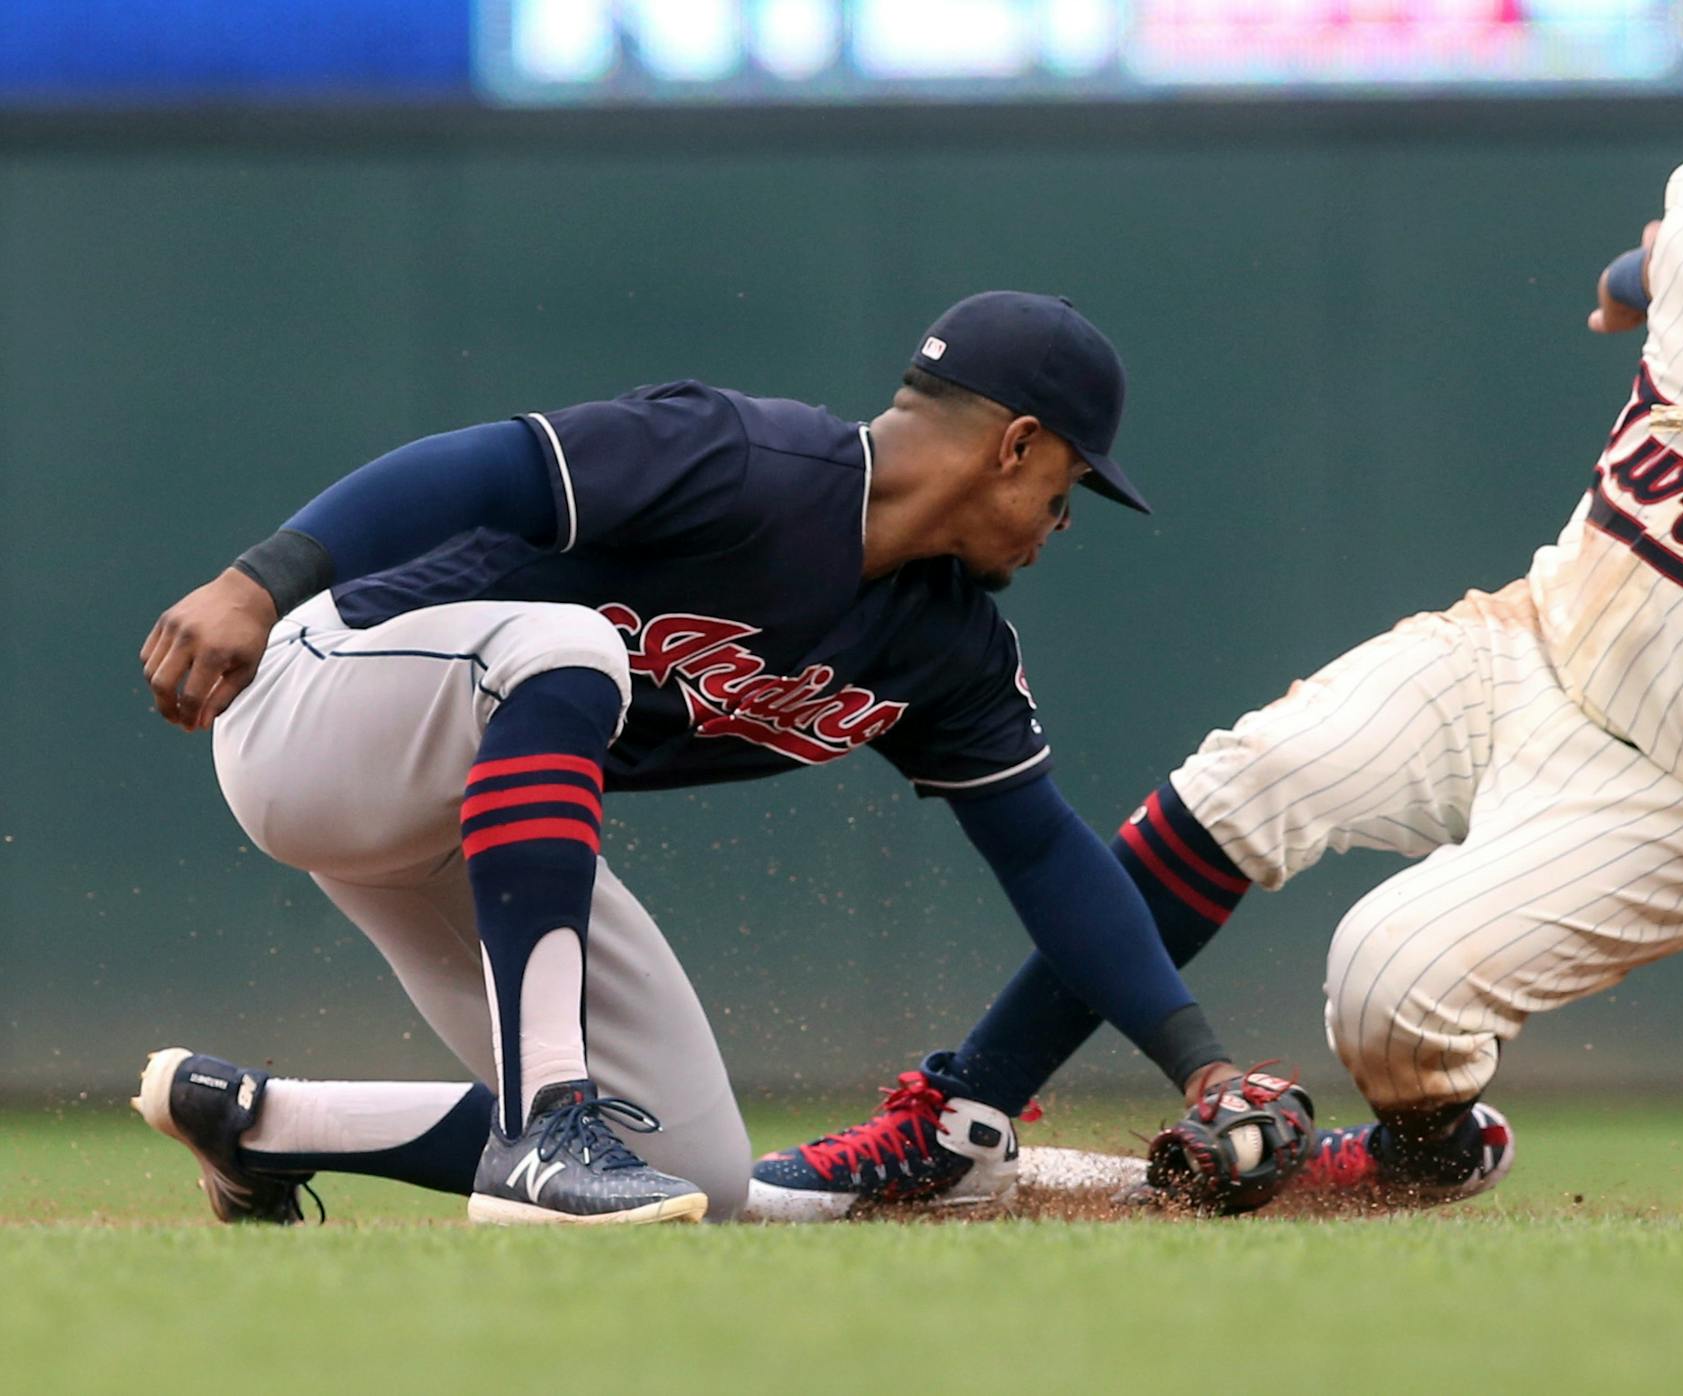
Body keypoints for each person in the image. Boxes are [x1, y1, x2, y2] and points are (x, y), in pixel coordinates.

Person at [750, 134, 1683, 1216]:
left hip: (1672, 802)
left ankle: (1426, 1151)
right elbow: (1665, 258)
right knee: (1241, 779)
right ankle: (959, 1122)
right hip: (1522, 644)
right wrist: (1625, 284)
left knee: (1384, 979)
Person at [131, 291, 1275, 1225]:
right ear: (1016, 444)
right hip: (323, 697)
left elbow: (1045, 854)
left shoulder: (949, 646)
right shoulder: (743, 457)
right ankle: (545, 1125)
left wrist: (1202, 1066)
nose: (1057, 524)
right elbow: (486, 468)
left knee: (698, 1177)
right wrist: (260, 579)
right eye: (1066, 487)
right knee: (572, 648)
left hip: (451, 817)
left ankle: (262, 1125)